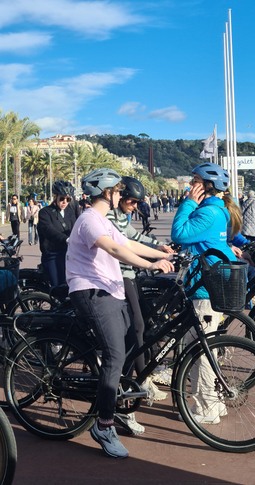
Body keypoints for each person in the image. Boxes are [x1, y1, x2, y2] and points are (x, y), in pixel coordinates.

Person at [67, 168, 174, 458]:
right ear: (106, 192)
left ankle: (118, 401)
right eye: (117, 190)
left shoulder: (102, 220)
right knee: (114, 355)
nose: (120, 195)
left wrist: (162, 254)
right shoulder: (89, 220)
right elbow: (114, 248)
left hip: (110, 291)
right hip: (93, 293)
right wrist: (150, 265)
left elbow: (129, 242)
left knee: (128, 344)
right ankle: (104, 425)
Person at [170, 162, 242, 425]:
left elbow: (178, 233)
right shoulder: (218, 210)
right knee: (203, 347)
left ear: (208, 185)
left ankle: (206, 409)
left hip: (204, 289)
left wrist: (188, 203)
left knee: (199, 351)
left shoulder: (208, 212)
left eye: (195, 181)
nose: (191, 185)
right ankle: (216, 402)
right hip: (209, 286)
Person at [106, 176, 174, 425]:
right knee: (136, 327)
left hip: (129, 274)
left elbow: (134, 235)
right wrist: (154, 258)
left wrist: (161, 247)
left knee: (141, 325)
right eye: (132, 202)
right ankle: (139, 382)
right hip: (118, 275)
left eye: (137, 203)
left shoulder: (123, 216)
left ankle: (141, 379)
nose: (135, 206)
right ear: (120, 197)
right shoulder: (109, 217)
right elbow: (125, 244)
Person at [37, 180, 77, 288]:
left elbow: (75, 229)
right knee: (58, 288)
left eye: (68, 199)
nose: (65, 202)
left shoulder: (70, 212)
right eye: (61, 199)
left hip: (68, 254)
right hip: (52, 255)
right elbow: (48, 230)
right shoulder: (45, 212)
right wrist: (66, 239)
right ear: (55, 197)